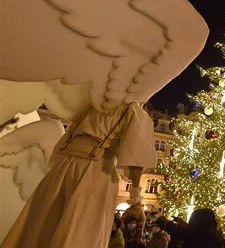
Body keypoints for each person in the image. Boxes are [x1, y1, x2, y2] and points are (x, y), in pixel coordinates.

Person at [0, 102, 156, 248]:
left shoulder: (95, 104)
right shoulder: (133, 111)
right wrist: (136, 196)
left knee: (43, 222)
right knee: (81, 229)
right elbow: (136, 159)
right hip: (96, 168)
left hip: (65, 164)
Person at [157, 209, 223, 248]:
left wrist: (166, 222)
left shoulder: (197, 234)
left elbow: (178, 230)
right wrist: (183, 223)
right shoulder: (213, 235)